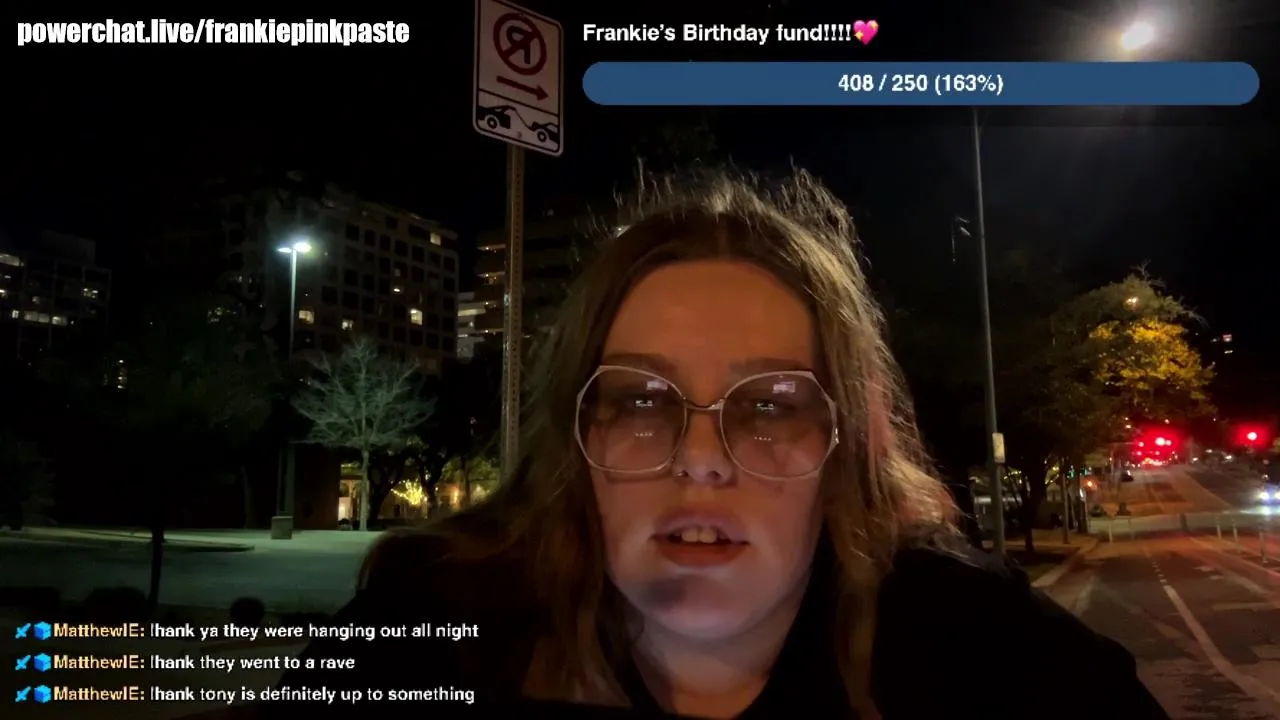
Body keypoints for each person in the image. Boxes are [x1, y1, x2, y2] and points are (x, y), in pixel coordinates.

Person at [271, 169, 1168, 719]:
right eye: (641, 399)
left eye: (770, 405)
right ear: (576, 438)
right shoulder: (433, 627)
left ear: (845, 444)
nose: (700, 457)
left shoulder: (988, 653)